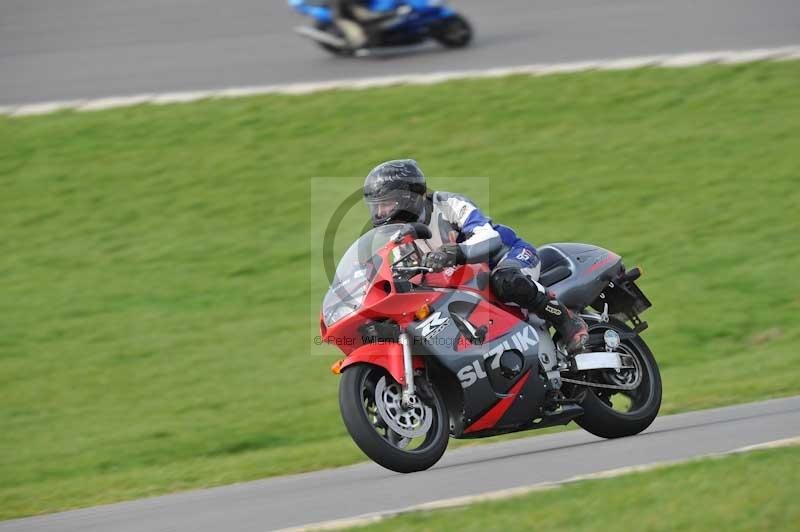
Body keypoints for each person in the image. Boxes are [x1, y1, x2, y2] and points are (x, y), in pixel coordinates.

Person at [362, 159, 589, 355]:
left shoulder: (447, 204)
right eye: (377, 207)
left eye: (386, 204)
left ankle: (568, 321)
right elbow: (411, 278)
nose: (380, 213)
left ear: (409, 196)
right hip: (467, 283)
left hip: (507, 256)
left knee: (506, 281)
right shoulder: (403, 239)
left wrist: (457, 252)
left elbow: (488, 237)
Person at [333, 0, 411, 51]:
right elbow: (364, 16)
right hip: (345, 17)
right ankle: (347, 48)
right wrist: (391, 13)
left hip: (359, 11)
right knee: (358, 39)